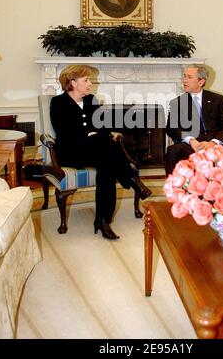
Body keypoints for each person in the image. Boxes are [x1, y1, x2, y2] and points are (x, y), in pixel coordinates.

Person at [50, 65, 152, 240]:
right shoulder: (58, 102)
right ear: (72, 83)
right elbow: (64, 132)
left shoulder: (91, 100)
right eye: (86, 80)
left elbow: (101, 125)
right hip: (70, 152)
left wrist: (101, 134)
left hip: (95, 150)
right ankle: (132, 180)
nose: (90, 83)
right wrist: (93, 134)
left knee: (107, 168)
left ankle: (103, 220)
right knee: (104, 143)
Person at [165, 65, 223, 175]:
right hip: (190, 145)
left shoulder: (217, 99)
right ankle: (174, 188)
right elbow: (171, 128)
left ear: (201, 81)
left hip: (215, 144)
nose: (184, 80)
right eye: (184, 76)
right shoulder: (176, 102)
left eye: (189, 77)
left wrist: (213, 142)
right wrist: (191, 140)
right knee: (173, 151)